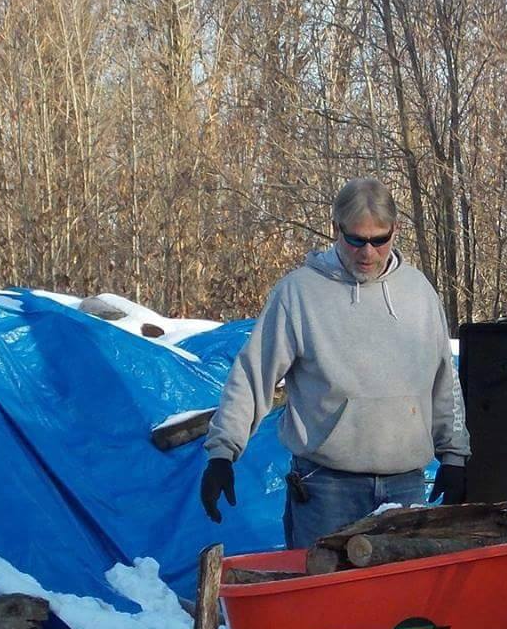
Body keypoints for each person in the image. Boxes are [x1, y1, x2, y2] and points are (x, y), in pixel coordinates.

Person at [200, 177, 469, 548]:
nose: (368, 252)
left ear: (396, 230)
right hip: (326, 488)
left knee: (398, 602)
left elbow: (444, 382)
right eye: (356, 239)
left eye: (379, 239)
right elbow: (252, 376)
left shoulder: (418, 293)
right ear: (335, 228)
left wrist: (453, 456)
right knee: (321, 600)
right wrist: (222, 453)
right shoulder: (300, 293)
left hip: (405, 485)